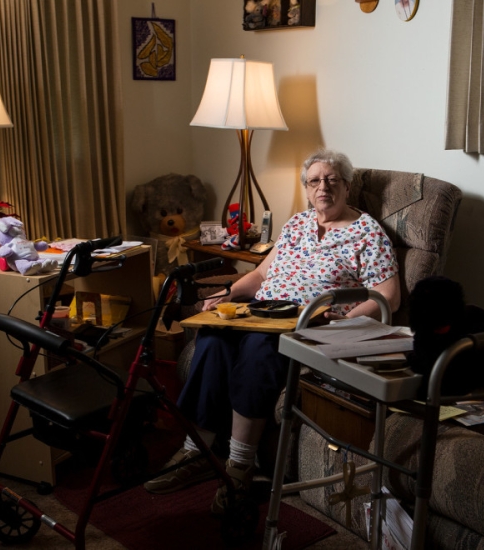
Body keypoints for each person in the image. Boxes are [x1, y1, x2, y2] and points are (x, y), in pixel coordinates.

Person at [143, 148, 401, 514]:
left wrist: (343, 323)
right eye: (315, 181)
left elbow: (388, 294)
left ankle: (238, 466)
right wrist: (226, 294)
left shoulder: (365, 231)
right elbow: (263, 274)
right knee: (214, 338)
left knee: (258, 349)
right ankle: (195, 452)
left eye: (332, 180)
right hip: (260, 311)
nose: (323, 187)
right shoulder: (297, 223)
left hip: (306, 322)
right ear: (307, 189)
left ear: (347, 186)